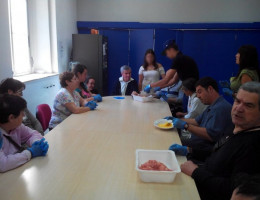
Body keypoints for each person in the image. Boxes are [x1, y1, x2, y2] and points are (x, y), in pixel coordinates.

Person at [180, 82, 260, 200]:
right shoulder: (238, 128)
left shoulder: (254, 146)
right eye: (237, 101)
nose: (238, 108)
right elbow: (219, 153)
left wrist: (195, 172)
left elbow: (231, 190)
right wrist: (190, 150)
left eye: (248, 105)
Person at [167, 77, 234, 159]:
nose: (198, 96)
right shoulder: (213, 105)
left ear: (210, 89)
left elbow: (210, 135)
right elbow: (196, 121)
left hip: (204, 151)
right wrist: (176, 120)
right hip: (198, 142)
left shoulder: (220, 108)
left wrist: (186, 126)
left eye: (200, 92)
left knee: (170, 144)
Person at [0, 94, 49, 172]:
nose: (24, 115)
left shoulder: (16, 126)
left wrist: (36, 143)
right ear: (11, 118)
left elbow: (32, 134)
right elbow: (2, 164)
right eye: (22, 112)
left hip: (16, 169)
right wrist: (30, 152)